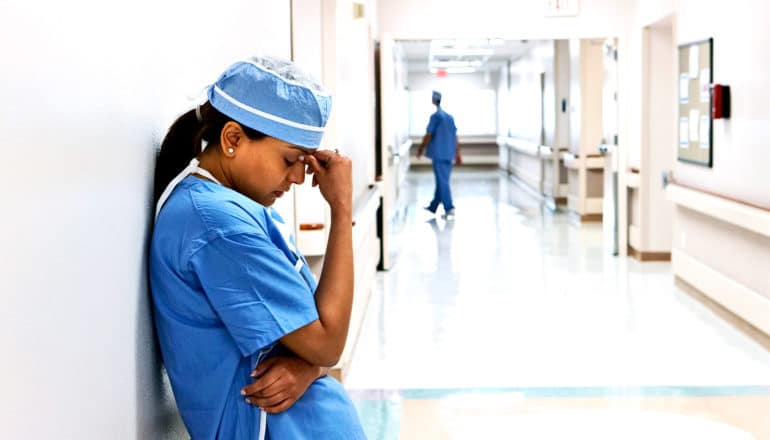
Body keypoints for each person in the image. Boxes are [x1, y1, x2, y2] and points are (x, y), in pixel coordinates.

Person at [150, 56, 366, 440]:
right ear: (233, 138)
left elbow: (312, 334)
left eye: (305, 161)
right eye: (290, 159)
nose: (300, 177)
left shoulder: (232, 209)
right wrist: (342, 207)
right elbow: (327, 342)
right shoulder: (218, 225)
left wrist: (307, 367)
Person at [416, 90, 462, 218]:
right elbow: (455, 137)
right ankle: (434, 206)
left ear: (433, 100)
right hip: (449, 153)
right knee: (443, 180)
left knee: (442, 181)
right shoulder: (449, 117)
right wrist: (458, 153)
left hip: (439, 154)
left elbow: (428, 135)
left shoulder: (435, 117)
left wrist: (420, 148)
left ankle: (449, 207)